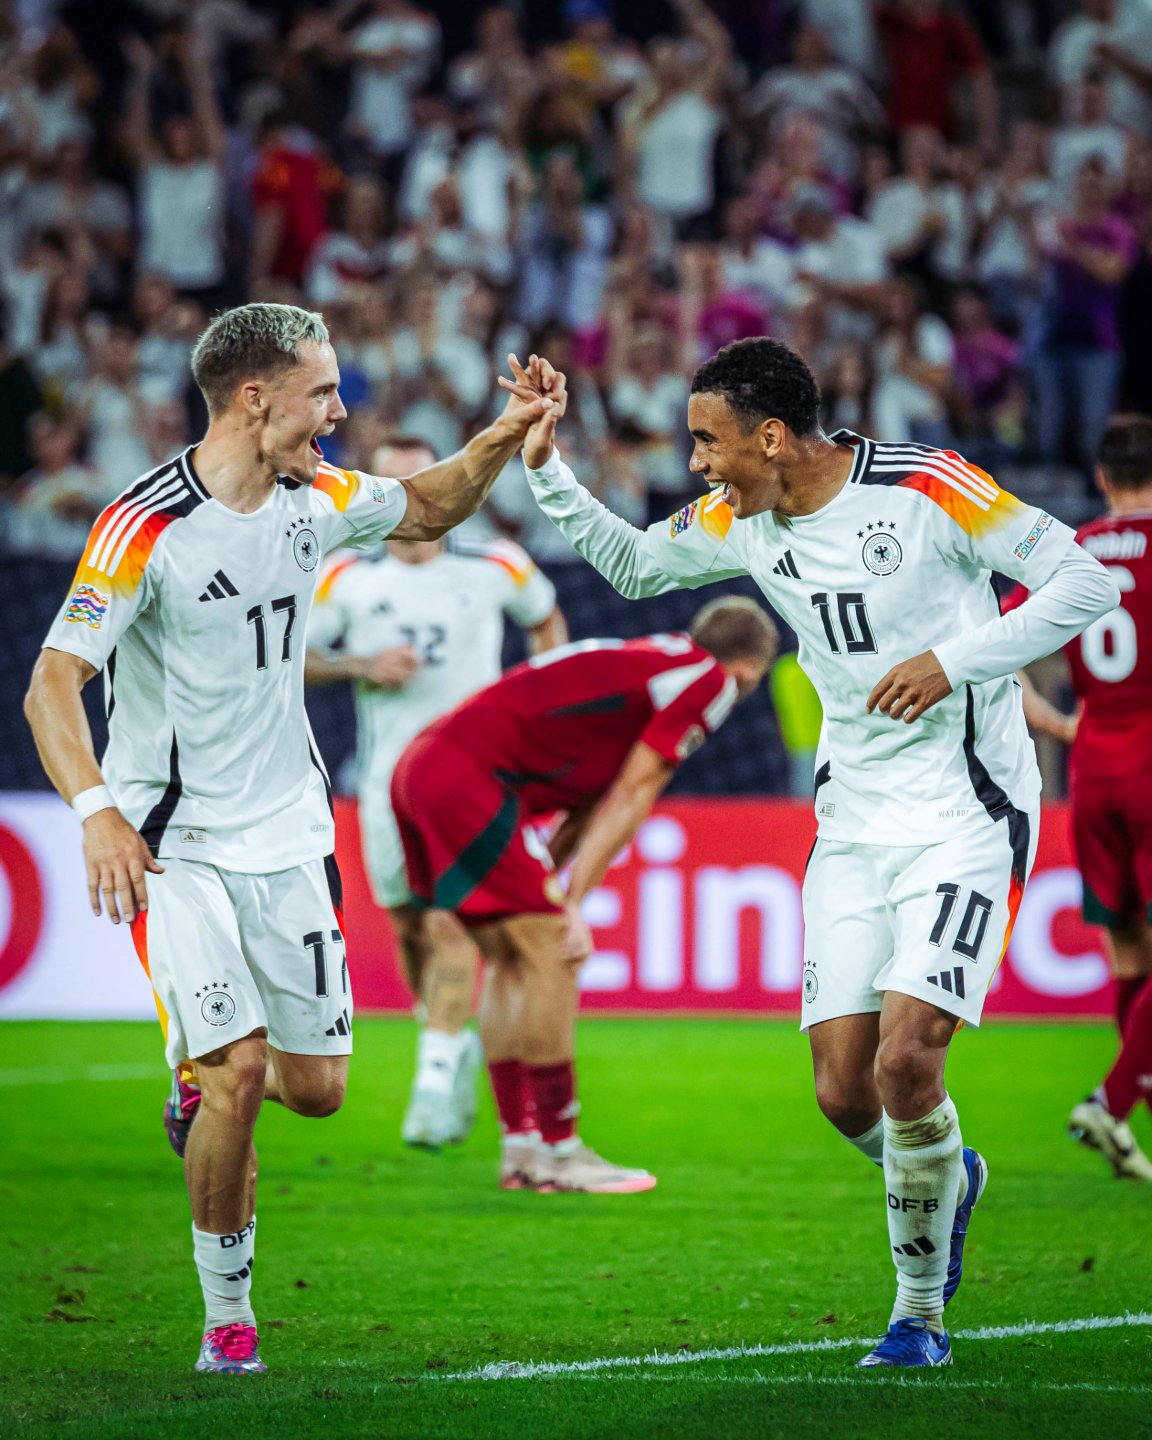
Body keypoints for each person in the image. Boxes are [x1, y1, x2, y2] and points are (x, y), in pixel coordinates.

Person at [518, 336, 1118, 1365]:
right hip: (851, 824)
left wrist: (953, 661)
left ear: (772, 434)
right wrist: (544, 465)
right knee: (844, 1091)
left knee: (906, 1056)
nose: (697, 464)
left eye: (709, 442)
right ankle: (943, 1173)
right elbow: (625, 561)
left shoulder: (929, 485)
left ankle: (917, 1313)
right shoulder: (740, 520)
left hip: (965, 817)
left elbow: (1082, 580)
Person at [22, 303, 558, 1375]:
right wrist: (98, 816)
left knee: (313, 1090)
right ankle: (229, 1322)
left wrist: (506, 434)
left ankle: (197, 1080)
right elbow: (52, 683)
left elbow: (427, 503)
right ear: (255, 397)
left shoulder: (318, 498)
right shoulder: (144, 526)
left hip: (291, 833)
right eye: (323, 390)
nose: (340, 409)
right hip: (170, 846)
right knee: (239, 1069)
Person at [390, 598, 777, 1194]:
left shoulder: (649, 667)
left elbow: (589, 805)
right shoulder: (708, 678)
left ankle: (522, 1150)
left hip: (425, 767)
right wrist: (569, 904)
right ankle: (560, 1150)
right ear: (750, 668)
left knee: (511, 960)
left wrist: (559, 886)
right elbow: (633, 792)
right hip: (470, 777)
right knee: (555, 952)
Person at [304, 434, 567, 1149]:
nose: (405, 498)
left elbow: (545, 618)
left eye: (418, 481)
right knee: (409, 925)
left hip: (475, 784)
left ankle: (431, 1079)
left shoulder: (496, 564)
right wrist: (360, 662)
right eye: (390, 485)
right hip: (387, 782)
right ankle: (448, 1036)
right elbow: (288, 661)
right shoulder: (345, 576)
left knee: (453, 924)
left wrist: (535, 701)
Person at [1013, 416, 1152, 1180]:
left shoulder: (1074, 553)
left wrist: (1063, 726)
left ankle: (1126, 1119)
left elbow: (995, 654)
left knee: (1130, 949)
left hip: (1093, 764)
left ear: (1101, 479)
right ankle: (1112, 1099)